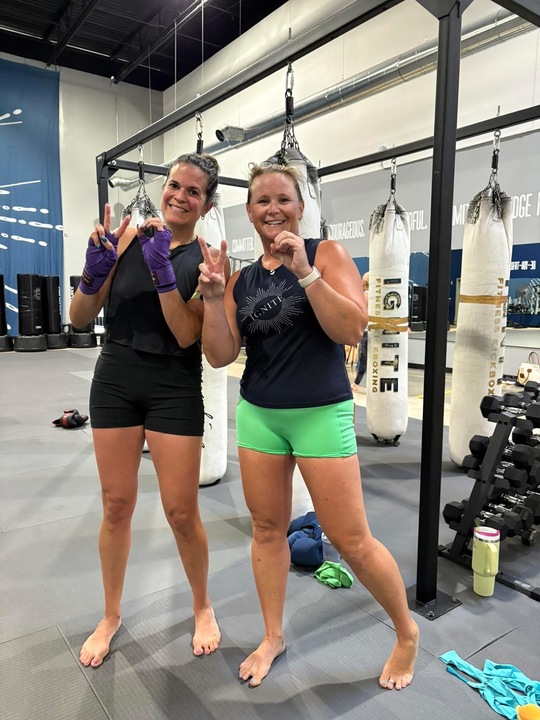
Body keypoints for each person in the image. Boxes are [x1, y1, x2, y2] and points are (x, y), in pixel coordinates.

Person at [197, 162, 419, 691]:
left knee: (350, 538)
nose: (273, 209)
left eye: (283, 199)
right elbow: (220, 354)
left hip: (321, 412)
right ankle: (273, 636)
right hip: (260, 415)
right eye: (262, 200)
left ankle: (407, 632)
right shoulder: (241, 280)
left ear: (301, 207)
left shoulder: (327, 254)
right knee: (267, 530)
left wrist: (305, 272)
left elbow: (352, 329)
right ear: (249, 211)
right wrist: (211, 299)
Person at [70, 153, 226, 668]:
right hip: (115, 378)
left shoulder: (207, 261)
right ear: (164, 188)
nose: (180, 196)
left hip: (173, 386)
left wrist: (162, 272)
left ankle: (202, 605)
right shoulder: (127, 240)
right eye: (174, 185)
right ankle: (110, 614)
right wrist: (91, 276)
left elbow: (185, 335)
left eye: (193, 191)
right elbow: (79, 317)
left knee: (181, 511)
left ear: (207, 204)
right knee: (116, 505)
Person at [352, 271, 369, 391]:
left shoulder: (365, 296)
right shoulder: (375, 297)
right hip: (371, 331)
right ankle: (357, 383)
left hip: (366, 331)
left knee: (363, 358)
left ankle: (356, 383)